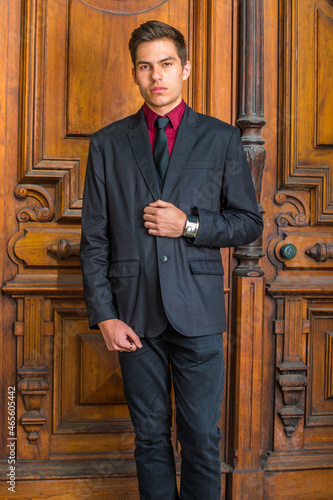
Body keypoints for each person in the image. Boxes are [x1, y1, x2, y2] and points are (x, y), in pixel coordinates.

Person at [80, 20, 263, 500]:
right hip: (133, 316)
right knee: (150, 439)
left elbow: (249, 222)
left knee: (202, 440)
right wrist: (105, 316)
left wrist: (191, 226)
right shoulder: (106, 144)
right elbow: (94, 239)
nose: (155, 76)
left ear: (184, 68)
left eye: (165, 64)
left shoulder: (221, 139)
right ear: (135, 73)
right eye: (145, 66)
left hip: (198, 314)